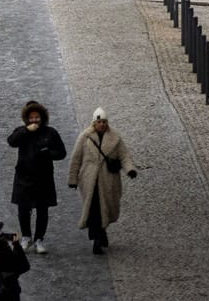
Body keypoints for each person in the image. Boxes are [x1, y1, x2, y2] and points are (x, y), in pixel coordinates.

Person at [68, 107, 138, 254]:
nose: (102, 124)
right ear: (94, 123)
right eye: (99, 122)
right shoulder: (85, 137)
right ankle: (96, 240)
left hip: (108, 181)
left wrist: (130, 169)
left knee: (106, 207)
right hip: (89, 181)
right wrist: (73, 179)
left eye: (104, 122)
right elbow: (76, 158)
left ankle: (102, 232)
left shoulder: (115, 138)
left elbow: (124, 155)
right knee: (94, 210)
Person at [8, 101, 67, 254]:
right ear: (27, 119)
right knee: (23, 209)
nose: (34, 120)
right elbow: (11, 141)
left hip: (44, 178)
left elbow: (61, 153)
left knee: (42, 210)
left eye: (37, 117)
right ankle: (26, 237)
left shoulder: (50, 133)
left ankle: (39, 239)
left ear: (42, 118)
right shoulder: (21, 131)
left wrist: (48, 153)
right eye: (32, 117)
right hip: (23, 177)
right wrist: (26, 131)